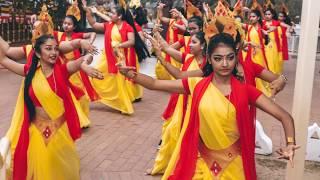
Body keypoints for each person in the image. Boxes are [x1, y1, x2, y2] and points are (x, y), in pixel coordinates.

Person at [118, 33, 298, 180]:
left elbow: (285, 117)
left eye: (230, 58)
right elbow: (155, 84)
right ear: (209, 60)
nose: (225, 64)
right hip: (201, 162)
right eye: (218, 58)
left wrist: (290, 144)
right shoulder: (196, 84)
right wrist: (132, 74)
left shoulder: (247, 91)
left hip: (234, 165)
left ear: (236, 58)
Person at [0, 34, 103, 180]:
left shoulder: (62, 71)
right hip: (35, 132)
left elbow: (82, 60)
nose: (54, 52)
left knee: (61, 171)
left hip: (59, 132)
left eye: (56, 49)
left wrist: (85, 65)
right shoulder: (29, 71)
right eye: (48, 49)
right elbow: (3, 59)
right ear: (37, 53)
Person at [54, 13, 99, 127]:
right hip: (63, 70)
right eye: (65, 23)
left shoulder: (77, 35)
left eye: (69, 24)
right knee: (69, 96)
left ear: (74, 26)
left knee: (80, 96)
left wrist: (89, 43)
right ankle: (74, 119)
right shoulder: (58, 36)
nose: (66, 26)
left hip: (75, 71)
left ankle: (80, 118)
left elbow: (93, 33)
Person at [242, 9, 271, 96]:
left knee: (258, 72)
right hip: (248, 53)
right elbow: (237, 24)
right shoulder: (249, 27)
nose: (251, 18)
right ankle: (252, 89)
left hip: (258, 54)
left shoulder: (261, 28)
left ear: (258, 18)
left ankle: (258, 91)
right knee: (249, 71)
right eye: (250, 16)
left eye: (253, 16)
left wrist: (266, 35)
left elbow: (265, 42)